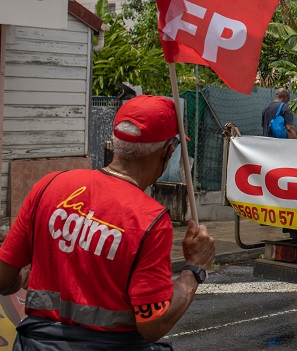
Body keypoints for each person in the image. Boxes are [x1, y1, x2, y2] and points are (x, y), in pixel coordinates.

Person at [0, 95, 216, 349]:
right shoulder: (150, 220)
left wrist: (26, 274)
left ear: (116, 141)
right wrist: (194, 269)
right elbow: (153, 324)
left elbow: (4, 280)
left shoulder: (49, 185)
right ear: (167, 151)